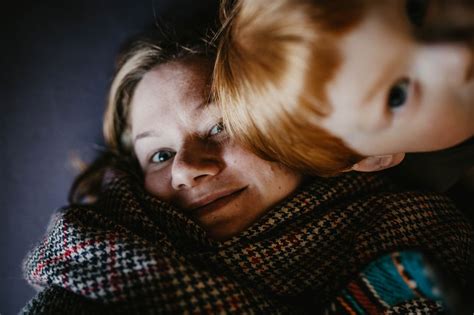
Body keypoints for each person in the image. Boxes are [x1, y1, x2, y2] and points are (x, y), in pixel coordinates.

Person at [21, 27, 472, 314]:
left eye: (220, 126)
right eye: (159, 155)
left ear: (287, 123)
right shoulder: (95, 262)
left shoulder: (424, 235)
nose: (186, 170)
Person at [213, 0, 474, 189]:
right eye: (397, 95)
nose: (458, 55)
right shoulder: (430, 182)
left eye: (415, 10)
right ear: (376, 159)